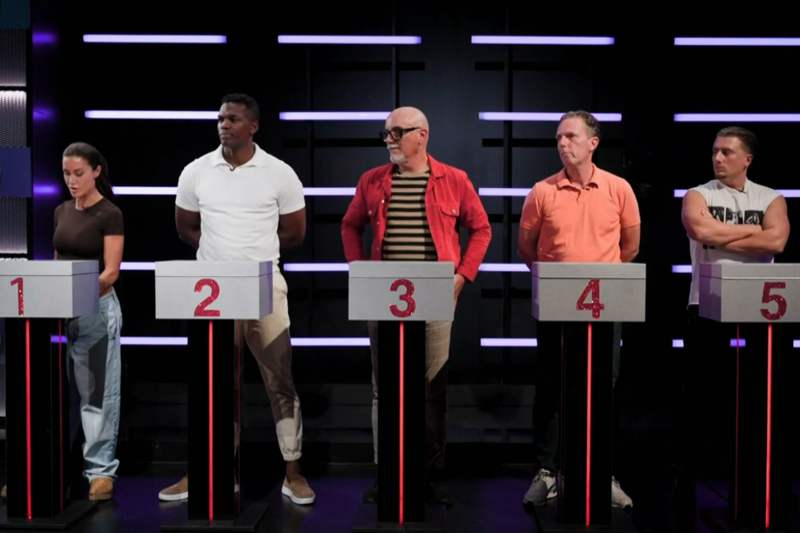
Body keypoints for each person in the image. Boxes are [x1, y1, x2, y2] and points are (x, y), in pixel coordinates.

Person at [158, 93, 315, 505]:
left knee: (280, 380)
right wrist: (221, 260)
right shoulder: (196, 170)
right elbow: (186, 228)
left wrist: (252, 257)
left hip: (265, 286)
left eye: (232, 119)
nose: (224, 125)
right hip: (213, 293)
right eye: (220, 119)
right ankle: (209, 470)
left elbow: (295, 233)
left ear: (253, 126)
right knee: (214, 384)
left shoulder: (279, 172)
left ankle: (293, 472)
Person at [341, 106, 491, 505]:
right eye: (386, 133)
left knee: (431, 388)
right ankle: (386, 471)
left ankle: (428, 472)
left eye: (397, 132)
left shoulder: (453, 179)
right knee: (384, 388)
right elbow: (350, 225)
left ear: (421, 135)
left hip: (435, 295)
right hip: (383, 296)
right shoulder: (372, 180)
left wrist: (462, 276)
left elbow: (481, 229)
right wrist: (359, 269)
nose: (388, 140)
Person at [517, 110, 639, 509]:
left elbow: (630, 247)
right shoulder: (542, 191)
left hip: (604, 306)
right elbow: (527, 249)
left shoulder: (619, 188)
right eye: (558, 138)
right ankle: (547, 472)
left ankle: (602, 474)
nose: (562, 143)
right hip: (556, 305)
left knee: (604, 389)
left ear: (593, 143)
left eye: (570, 136)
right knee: (551, 387)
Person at [677, 126, 789, 527]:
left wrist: (723, 237)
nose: (717, 158)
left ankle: (754, 487)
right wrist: (754, 232)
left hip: (758, 313)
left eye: (726, 152)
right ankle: (687, 493)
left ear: (747, 159)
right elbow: (700, 230)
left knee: (756, 405)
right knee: (701, 403)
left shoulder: (770, 198)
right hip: (706, 309)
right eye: (714, 151)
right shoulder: (698, 195)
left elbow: (777, 243)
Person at [55, 142, 124, 501]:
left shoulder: (109, 213)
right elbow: (57, 262)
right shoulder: (61, 211)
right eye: (67, 173)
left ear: (96, 172)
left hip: (95, 310)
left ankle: (100, 471)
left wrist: (77, 294)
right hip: (60, 311)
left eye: (79, 173)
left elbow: (111, 272)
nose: (72, 180)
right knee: (58, 393)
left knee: (97, 393)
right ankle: (51, 467)